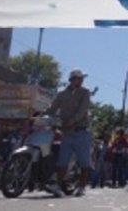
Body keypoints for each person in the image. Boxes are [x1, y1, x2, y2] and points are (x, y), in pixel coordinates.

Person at [46, 68, 92, 197]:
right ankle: (57, 185)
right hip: (67, 133)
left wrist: (71, 122)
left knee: (84, 162)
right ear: (72, 80)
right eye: (79, 78)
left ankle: (82, 187)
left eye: (82, 78)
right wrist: (39, 115)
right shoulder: (62, 94)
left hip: (81, 131)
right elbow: (52, 108)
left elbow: (83, 111)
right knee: (63, 161)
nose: (82, 80)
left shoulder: (85, 92)